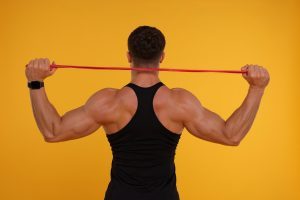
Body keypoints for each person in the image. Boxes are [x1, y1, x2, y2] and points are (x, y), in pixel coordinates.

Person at [25, 26, 270, 200]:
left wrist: (36, 82)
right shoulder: (180, 102)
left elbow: (53, 131)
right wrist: (257, 89)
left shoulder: (108, 102)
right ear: (162, 57)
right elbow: (231, 135)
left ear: (129, 57)